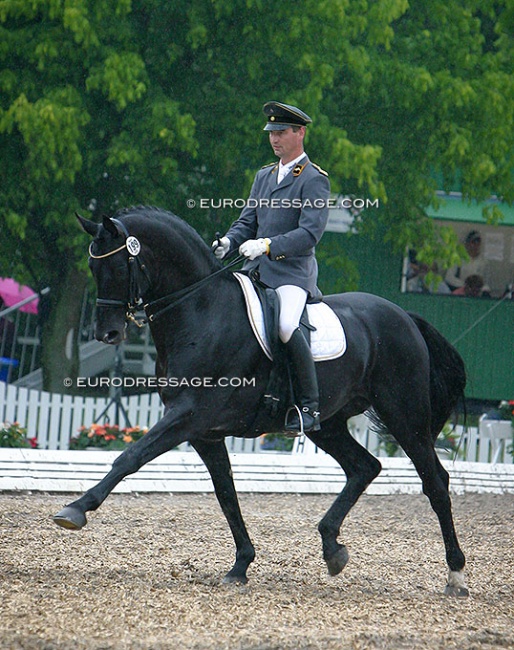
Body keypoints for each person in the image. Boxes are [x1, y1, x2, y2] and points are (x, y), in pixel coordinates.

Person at [213, 101, 330, 433]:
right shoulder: (264, 175)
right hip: (256, 271)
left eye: (281, 133)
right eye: (272, 134)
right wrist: (229, 242)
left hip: (291, 273)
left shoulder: (313, 180)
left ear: (300, 133)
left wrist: (267, 245)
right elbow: (246, 222)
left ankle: (309, 407)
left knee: (285, 326)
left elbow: (309, 234)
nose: (275, 139)